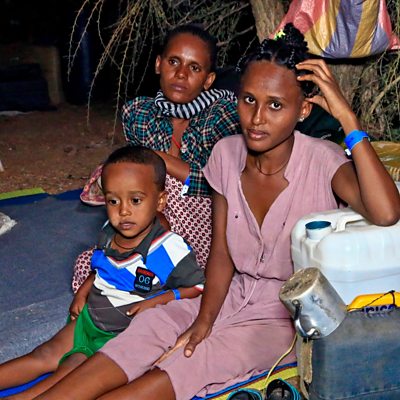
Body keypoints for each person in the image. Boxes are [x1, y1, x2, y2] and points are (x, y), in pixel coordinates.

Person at [35, 23, 400, 400]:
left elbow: (387, 212)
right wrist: (203, 319)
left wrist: (348, 120)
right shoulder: (226, 154)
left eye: (276, 105)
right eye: (249, 100)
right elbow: (222, 254)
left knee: (188, 361)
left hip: (281, 320)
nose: (257, 118)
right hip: (226, 295)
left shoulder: (323, 161)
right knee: (148, 328)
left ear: (303, 109)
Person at [0, 145, 204, 399]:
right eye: (113, 201)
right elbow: (100, 267)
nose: (123, 211)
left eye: (135, 200)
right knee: (42, 355)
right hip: (90, 320)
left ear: (160, 200)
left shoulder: (166, 249)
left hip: (120, 338)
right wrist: (82, 293)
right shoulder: (109, 231)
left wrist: (158, 300)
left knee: (68, 374)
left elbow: (198, 287)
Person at [73, 24, 241, 292]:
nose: (181, 74)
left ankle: (163, 278)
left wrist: (157, 158)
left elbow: (220, 184)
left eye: (194, 68)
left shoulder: (222, 115)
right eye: (174, 62)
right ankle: (145, 277)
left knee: (161, 180)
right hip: (150, 222)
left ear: (208, 80)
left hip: (208, 226)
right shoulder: (140, 114)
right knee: (88, 264)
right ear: (158, 64)